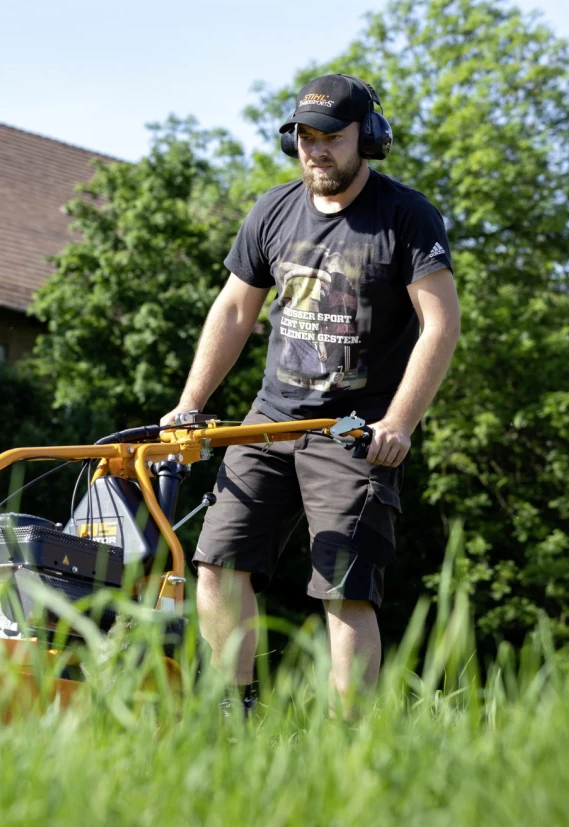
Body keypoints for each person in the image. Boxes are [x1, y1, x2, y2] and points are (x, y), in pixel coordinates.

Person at [161, 74, 461, 714]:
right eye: (304, 136)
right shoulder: (273, 210)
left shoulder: (406, 217)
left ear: (369, 139)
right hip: (266, 422)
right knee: (217, 561)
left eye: (330, 137)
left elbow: (441, 324)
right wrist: (190, 404)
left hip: (353, 431)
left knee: (345, 590)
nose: (315, 149)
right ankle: (230, 714)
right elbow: (235, 312)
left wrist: (399, 424)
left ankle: (350, 740)